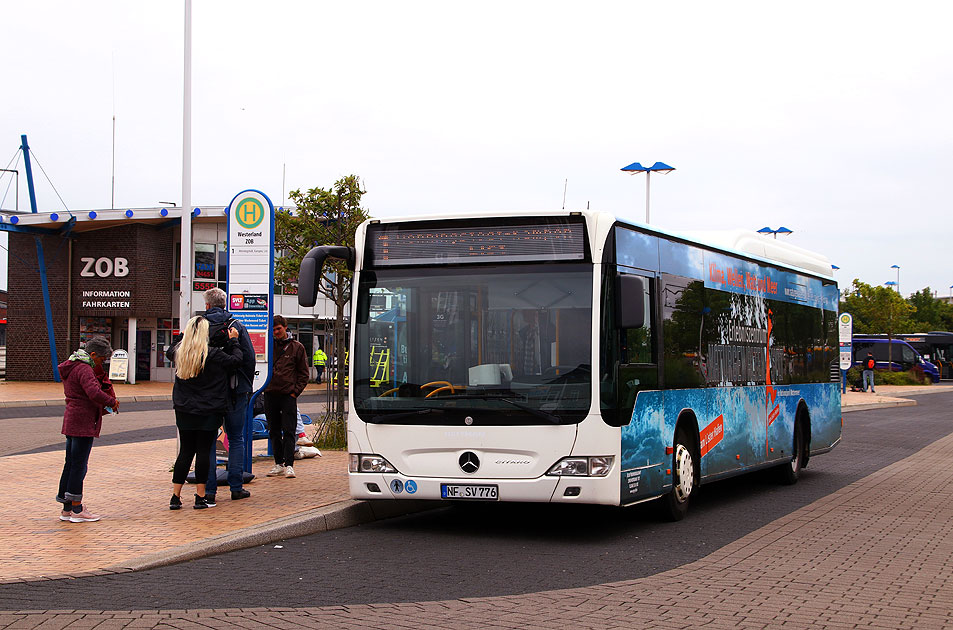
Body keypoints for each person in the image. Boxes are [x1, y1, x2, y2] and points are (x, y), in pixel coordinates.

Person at [170, 315, 243, 510]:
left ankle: (175, 497)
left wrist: (180, 337)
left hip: (184, 409)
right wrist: (234, 340)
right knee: (203, 451)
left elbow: (171, 350)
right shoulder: (213, 355)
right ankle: (200, 497)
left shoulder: (180, 353)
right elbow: (237, 360)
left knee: (185, 451)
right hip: (209, 410)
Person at [56, 336, 119, 523]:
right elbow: (93, 392)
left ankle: (67, 507)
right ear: (92, 354)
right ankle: (77, 509)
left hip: (71, 418)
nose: (102, 363)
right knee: (79, 465)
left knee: (71, 463)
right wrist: (112, 401)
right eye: (101, 359)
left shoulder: (72, 364)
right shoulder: (84, 368)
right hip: (83, 421)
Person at [201, 288, 255, 503]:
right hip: (235, 391)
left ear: (207, 305)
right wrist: (244, 386)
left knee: (209, 441)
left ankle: (210, 490)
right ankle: (236, 486)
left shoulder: (199, 326)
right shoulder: (236, 326)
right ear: (224, 304)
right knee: (236, 438)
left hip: (208, 393)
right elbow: (249, 358)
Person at [263, 315, 310, 478]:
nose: (276, 332)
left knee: (289, 430)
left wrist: (294, 392)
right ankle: (278, 463)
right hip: (270, 394)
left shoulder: (297, 347)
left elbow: (304, 373)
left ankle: (289, 464)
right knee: (273, 431)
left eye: (279, 329)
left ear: (285, 327)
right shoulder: (268, 346)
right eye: (274, 329)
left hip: (287, 396)